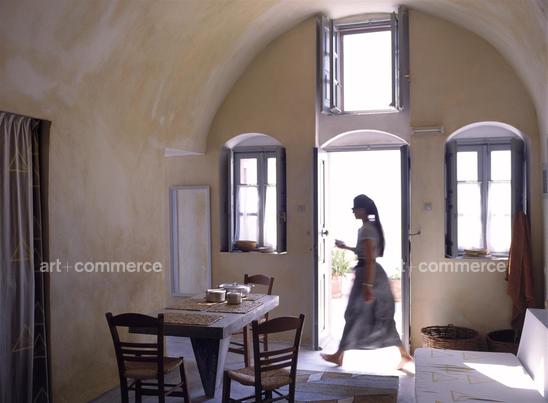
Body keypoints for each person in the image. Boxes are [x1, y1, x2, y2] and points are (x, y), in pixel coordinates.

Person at [320, 194, 413, 370]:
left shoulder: (366, 230)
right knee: (380, 318)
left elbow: (369, 259)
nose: (353, 211)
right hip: (371, 274)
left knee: (354, 314)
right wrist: (346, 247)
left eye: (355, 208)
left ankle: (339, 355)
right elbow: (365, 253)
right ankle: (404, 355)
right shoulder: (369, 228)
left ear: (362, 209)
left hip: (369, 277)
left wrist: (367, 287)